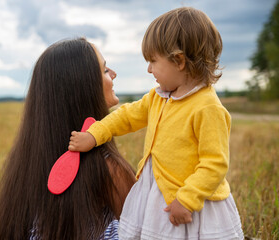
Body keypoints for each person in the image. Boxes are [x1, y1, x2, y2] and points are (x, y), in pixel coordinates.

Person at [69, 7, 244, 239]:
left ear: (179, 60)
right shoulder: (158, 97)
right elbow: (126, 117)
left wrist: (187, 198)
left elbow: (215, 164)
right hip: (159, 196)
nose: (149, 69)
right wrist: (94, 134)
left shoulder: (207, 108)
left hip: (192, 204)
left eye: (153, 61)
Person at [0, 38, 136, 240]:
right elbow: (146, 230)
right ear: (84, 87)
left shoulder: (27, 165)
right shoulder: (109, 170)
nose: (113, 74)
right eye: (104, 70)